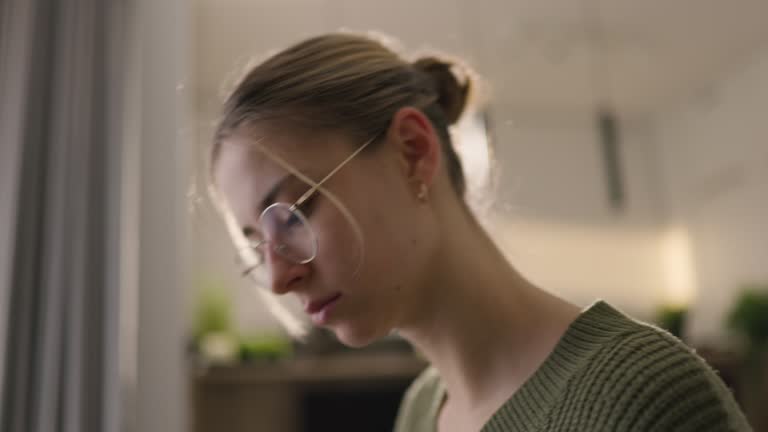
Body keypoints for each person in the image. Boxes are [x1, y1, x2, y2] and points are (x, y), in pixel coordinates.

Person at [208, 32, 752, 432]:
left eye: (290, 215)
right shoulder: (420, 413)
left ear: (412, 153)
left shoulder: (640, 401)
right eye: (256, 244)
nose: (278, 278)